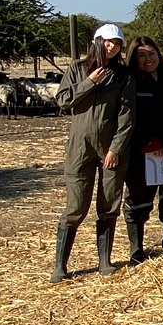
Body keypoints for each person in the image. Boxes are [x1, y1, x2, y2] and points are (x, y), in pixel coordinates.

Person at [51, 24, 135, 283]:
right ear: (97, 42)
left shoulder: (123, 75)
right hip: (79, 146)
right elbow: (64, 100)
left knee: (109, 203)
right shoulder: (77, 68)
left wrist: (116, 148)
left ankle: (104, 262)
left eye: (117, 43)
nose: (112, 47)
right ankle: (60, 266)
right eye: (108, 42)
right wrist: (90, 82)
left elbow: (127, 116)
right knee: (76, 205)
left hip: (110, 147)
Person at [122, 36, 163, 264]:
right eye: (141, 55)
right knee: (138, 199)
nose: (148, 59)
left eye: (151, 53)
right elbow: (128, 118)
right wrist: (150, 143)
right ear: (133, 58)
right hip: (140, 152)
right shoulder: (129, 82)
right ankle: (136, 249)